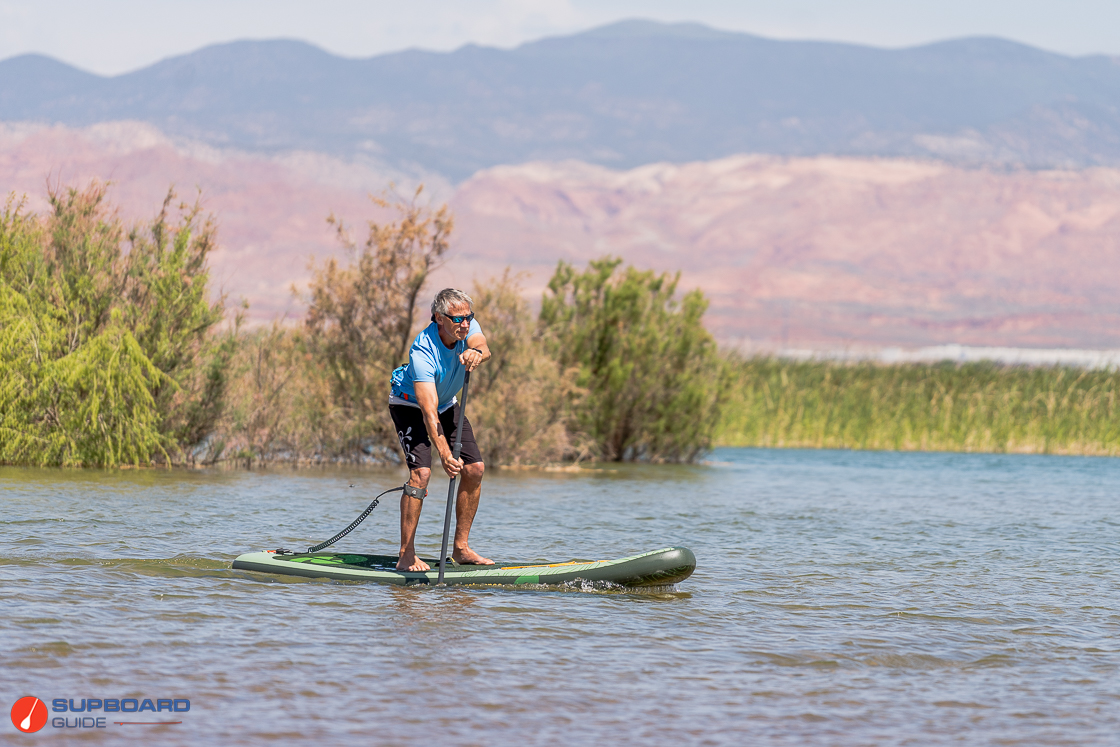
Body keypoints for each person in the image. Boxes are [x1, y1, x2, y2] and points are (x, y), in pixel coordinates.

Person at [388, 288, 493, 571]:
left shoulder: (467, 328)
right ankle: (406, 554)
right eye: (458, 319)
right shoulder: (422, 351)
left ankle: (461, 548)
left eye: (468, 318)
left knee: (475, 468)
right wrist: (445, 453)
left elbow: (483, 346)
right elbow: (428, 412)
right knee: (421, 473)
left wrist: (477, 354)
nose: (465, 324)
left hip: (447, 403)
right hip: (410, 405)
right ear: (438, 317)